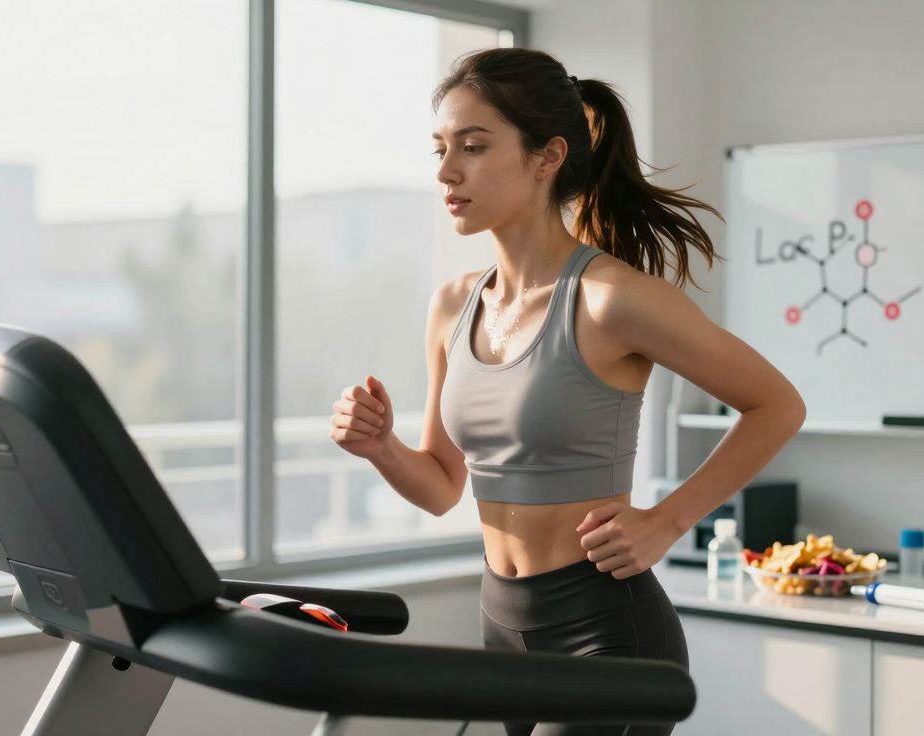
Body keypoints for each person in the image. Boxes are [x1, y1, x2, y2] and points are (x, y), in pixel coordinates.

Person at [328, 47, 805, 735]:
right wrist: (379, 447)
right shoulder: (452, 305)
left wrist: (666, 521)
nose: (446, 172)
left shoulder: (613, 301)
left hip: (605, 629)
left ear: (546, 156)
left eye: (473, 146)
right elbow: (440, 487)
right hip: (501, 626)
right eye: (439, 149)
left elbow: (778, 404)